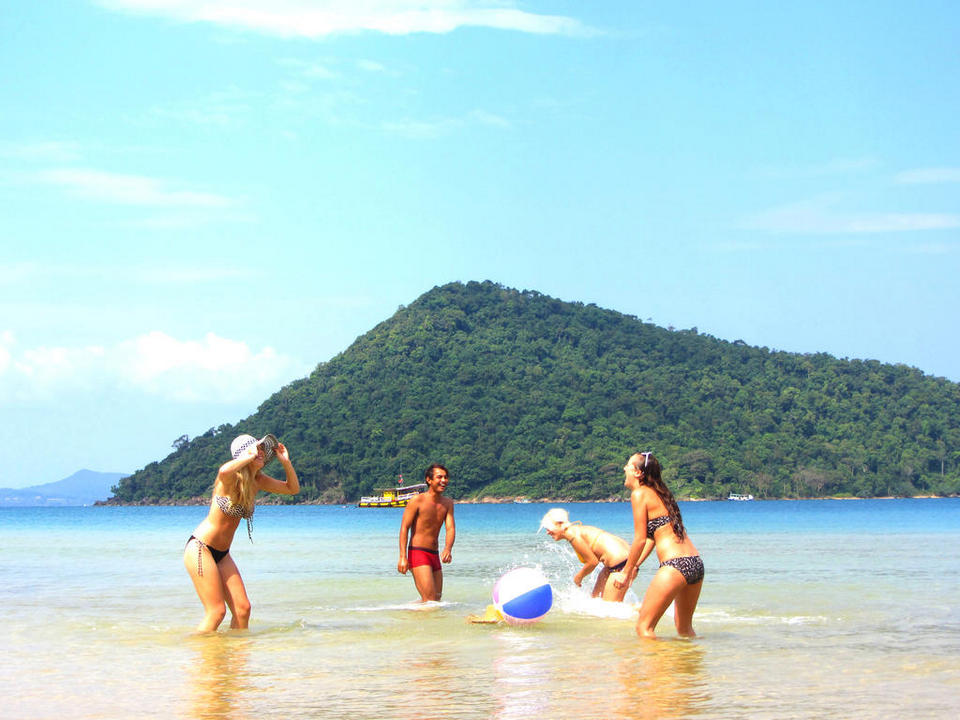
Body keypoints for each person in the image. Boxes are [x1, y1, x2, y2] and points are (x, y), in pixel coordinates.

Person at [183, 433, 299, 632]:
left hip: (222, 554)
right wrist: (249, 456)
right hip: (201, 549)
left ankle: (237, 651)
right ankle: (198, 650)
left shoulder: (257, 480)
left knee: (243, 610)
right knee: (216, 612)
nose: (261, 452)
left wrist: (286, 463)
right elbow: (223, 470)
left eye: (261, 448)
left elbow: (292, 489)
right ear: (245, 455)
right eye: (256, 448)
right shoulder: (229, 479)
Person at [615, 451, 704, 638]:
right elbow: (652, 538)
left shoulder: (639, 494)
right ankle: (690, 658)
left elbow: (640, 539)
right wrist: (635, 565)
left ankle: (657, 659)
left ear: (638, 472)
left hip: (675, 565)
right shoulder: (661, 493)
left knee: (644, 628)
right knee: (684, 629)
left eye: (628, 465)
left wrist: (625, 572)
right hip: (695, 563)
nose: (624, 468)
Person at [539, 508, 632, 601]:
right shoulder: (576, 530)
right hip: (619, 563)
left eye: (548, 528)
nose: (547, 532)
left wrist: (578, 577)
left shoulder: (572, 535)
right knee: (595, 600)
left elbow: (592, 562)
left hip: (621, 566)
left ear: (559, 524)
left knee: (610, 607)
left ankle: (641, 608)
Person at [397, 463, 455, 602]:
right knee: (430, 600)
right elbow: (404, 528)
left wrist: (448, 549)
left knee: (436, 600)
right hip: (418, 553)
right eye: (439, 477)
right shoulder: (417, 500)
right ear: (429, 480)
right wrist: (403, 557)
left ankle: (410, 613)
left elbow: (450, 528)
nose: (444, 480)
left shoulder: (447, 503)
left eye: (446, 477)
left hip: (434, 554)